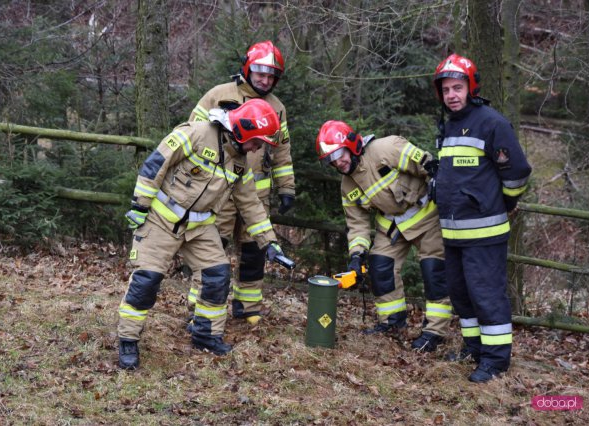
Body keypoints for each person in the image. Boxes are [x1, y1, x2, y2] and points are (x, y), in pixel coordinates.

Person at [116, 99, 288, 369]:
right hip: (162, 219)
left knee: (217, 275)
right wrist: (140, 204)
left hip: (199, 227)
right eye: (258, 141)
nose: (259, 148)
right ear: (243, 130)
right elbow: (156, 164)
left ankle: (206, 335)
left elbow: (251, 203)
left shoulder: (240, 164)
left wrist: (270, 243)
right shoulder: (196, 133)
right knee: (146, 281)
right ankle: (128, 339)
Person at [432, 53, 531, 383]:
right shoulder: (447, 125)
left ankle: (496, 361)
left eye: (457, 88)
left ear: (470, 87)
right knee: (462, 297)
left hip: (485, 234)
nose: (451, 95)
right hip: (453, 234)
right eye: (446, 90)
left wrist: (504, 202)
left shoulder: (492, 123)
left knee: (487, 297)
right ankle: (474, 349)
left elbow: (516, 171)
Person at [315, 120, 452, 353]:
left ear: (351, 145)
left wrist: (441, 189)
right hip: (392, 225)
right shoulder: (348, 185)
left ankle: (434, 332)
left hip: (426, 216)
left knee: (434, 272)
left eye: (339, 154)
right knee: (380, 266)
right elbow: (357, 224)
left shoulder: (386, 148)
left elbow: (430, 165)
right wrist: (356, 256)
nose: (338, 162)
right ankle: (392, 322)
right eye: (331, 159)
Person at [187, 40, 295, 325]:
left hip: (255, 196)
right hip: (218, 192)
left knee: (253, 253)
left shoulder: (278, 108)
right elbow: (192, 135)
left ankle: (248, 308)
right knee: (212, 248)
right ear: (247, 69)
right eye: (260, 72)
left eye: (271, 75)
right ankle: (200, 306)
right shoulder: (218, 95)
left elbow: (282, 152)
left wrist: (286, 189)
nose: (265, 79)